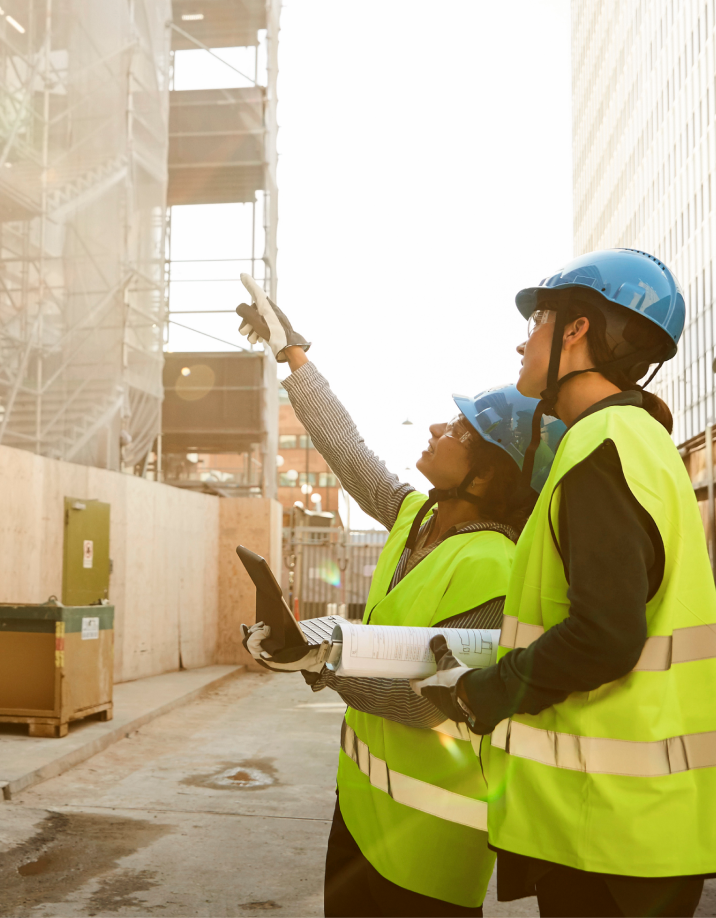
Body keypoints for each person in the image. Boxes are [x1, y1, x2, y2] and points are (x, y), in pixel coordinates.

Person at [416, 249, 716, 918]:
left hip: (609, 830)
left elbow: (606, 634)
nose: (524, 339)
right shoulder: (637, 439)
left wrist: (487, 691)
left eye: (539, 321)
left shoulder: (600, 450)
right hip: (633, 824)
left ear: (577, 329)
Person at [233, 287, 563, 918]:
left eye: (460, 429)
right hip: (359, 817)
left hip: (430, 848)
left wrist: (320, 655)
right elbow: (348, 452)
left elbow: (433, 701)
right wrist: (293, 354)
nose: (439, 426)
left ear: (487, 475)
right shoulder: (416, 516)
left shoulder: (495, 565)